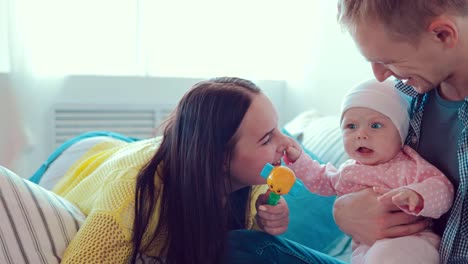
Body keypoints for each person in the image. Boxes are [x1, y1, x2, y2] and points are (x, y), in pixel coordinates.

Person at [44, 77, 296, 263]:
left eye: (278, 129)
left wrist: (268, 222)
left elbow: (246, 247)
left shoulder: (259, 179)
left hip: (151, 148)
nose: (286, 144)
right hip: (83, 159)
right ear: (219, 157)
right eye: (266, 139)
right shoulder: (132, 198)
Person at [333, 1, 468, 263]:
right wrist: (342, 212)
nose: (381, 77)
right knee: (248, 246)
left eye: (388, 61)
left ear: (443, 35)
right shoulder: (405, 98)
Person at [283, 79, 454, 263]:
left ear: (400, 133)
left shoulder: (408, 164)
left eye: (375, 126)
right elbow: (321, 179)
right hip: (365, 248)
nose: (361, 134)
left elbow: (442, 188)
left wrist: (417, 195)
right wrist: (298, 159)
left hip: (414, 242)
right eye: (351, 126)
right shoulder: (348, 171)